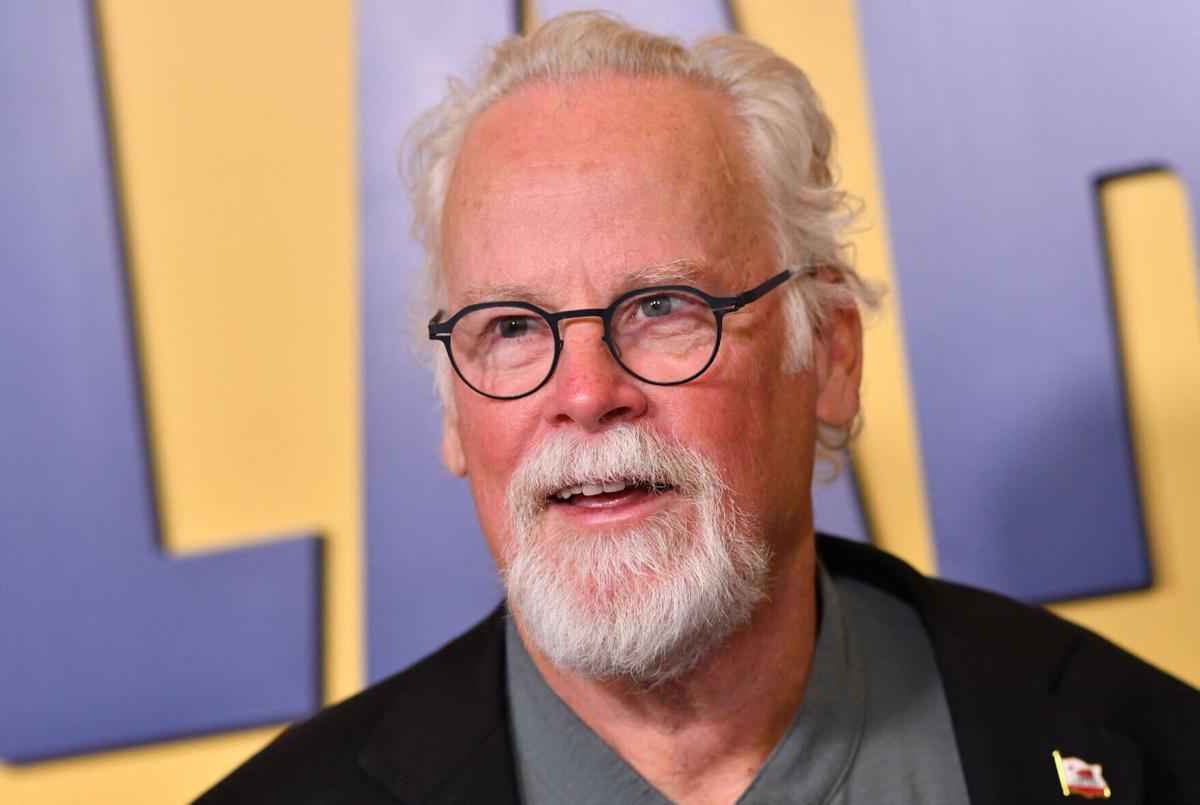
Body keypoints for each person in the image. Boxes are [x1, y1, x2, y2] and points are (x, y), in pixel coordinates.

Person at [200, 12, 1200, 804]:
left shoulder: (1156, 753)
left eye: (664, 308)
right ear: (457, 417)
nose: (587, 393)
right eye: (510, 328)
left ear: (832, 354)